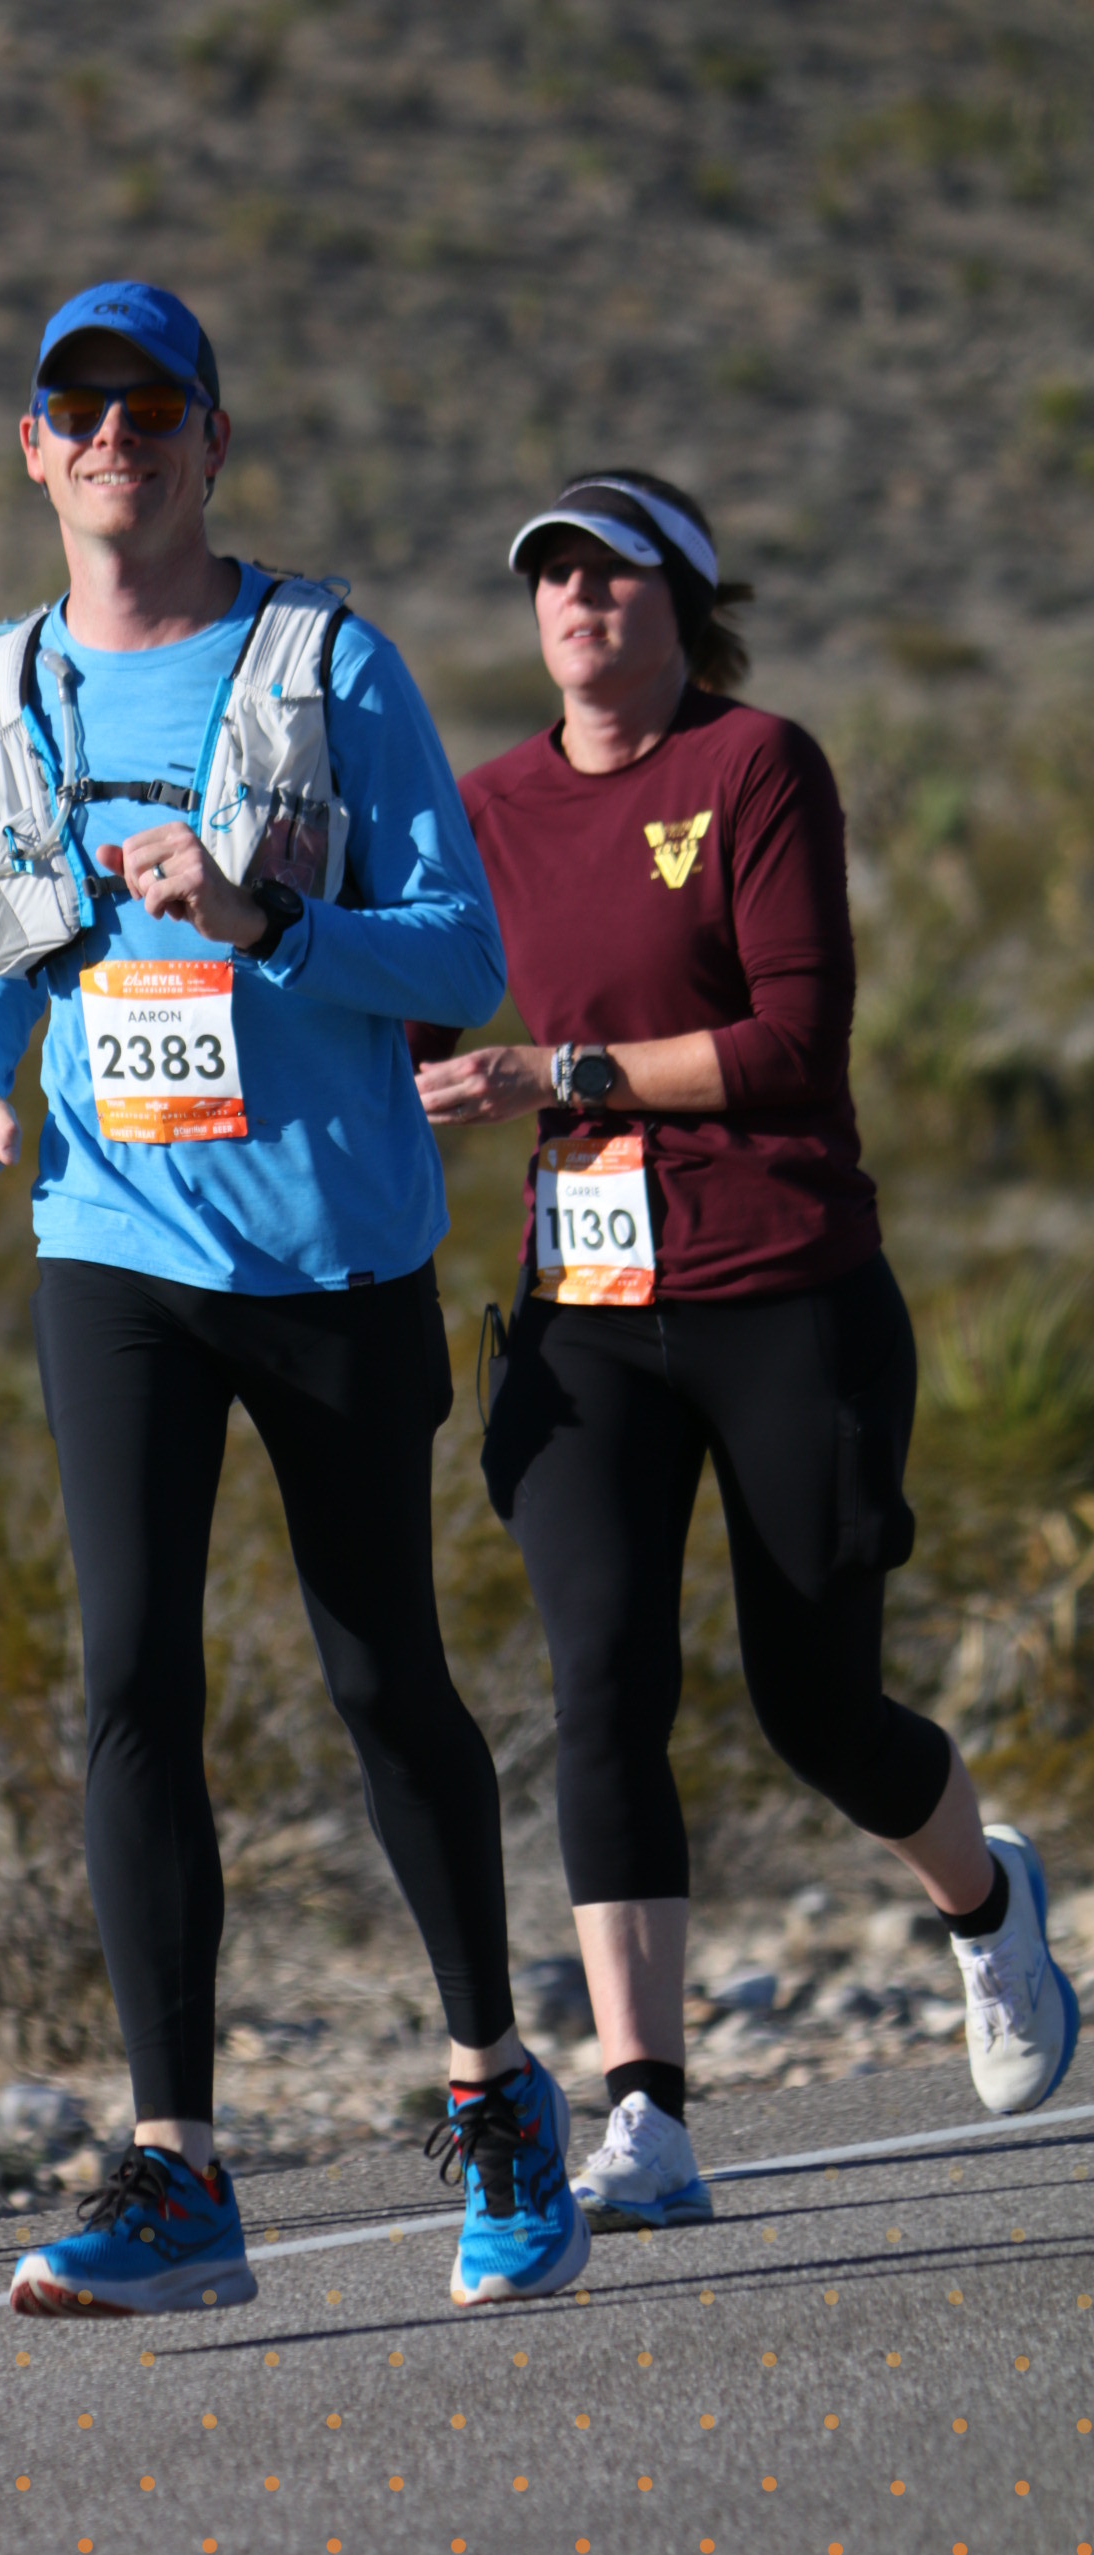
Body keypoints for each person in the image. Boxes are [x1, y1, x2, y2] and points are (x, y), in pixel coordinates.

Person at [0, 279, 589, 2321]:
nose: (115, 439)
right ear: (32, 449)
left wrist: (263, 914)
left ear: (212, 443)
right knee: (132, 1681)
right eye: (80, 408)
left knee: (383, 1675)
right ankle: (178, 2172)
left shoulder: (331, 664)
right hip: (111, 1246)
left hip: (328, 1252)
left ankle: (496, 2088)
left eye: (154, 408)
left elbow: (460, 960)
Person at [415, 471, 1081, 2232]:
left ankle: (986, 1905)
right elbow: (403, 1011)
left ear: (685, 607)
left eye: (613, 574)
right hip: (587, 1311)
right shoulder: (486, 806)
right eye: (552, 574)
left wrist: (557, 1074)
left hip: (786, 1289)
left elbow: (796, 1039)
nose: (577, 599)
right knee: (603, 1686)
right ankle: (647, 2114)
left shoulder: (757, 766)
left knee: (816, 1707)